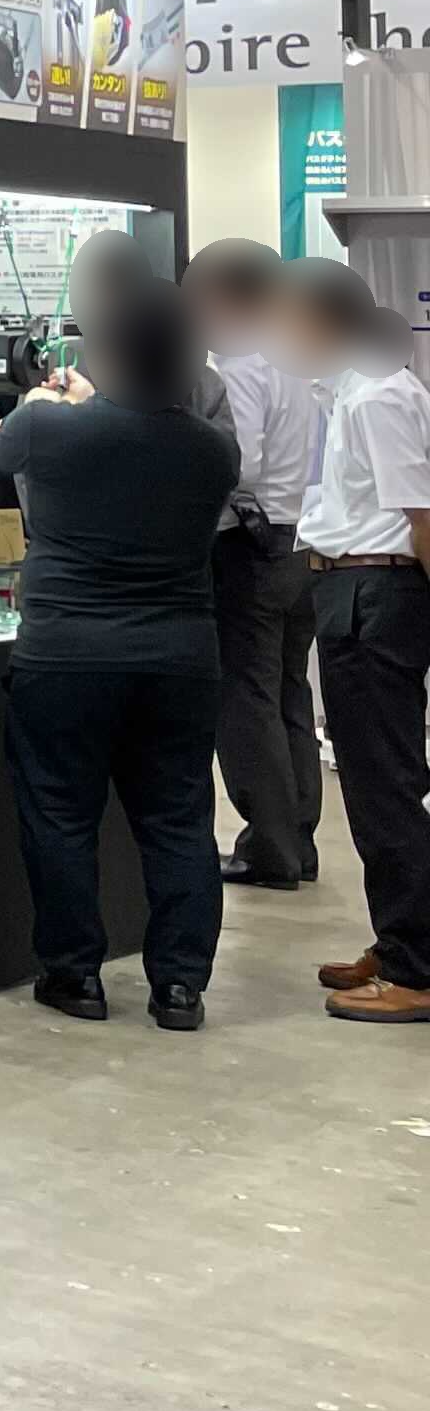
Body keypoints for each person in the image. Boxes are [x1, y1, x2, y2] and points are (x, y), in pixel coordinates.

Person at [0, 284, 239, 1029]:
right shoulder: (213, 451)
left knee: (60, 815)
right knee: (178, 819)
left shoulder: (47, 428)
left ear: (107, 350)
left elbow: (4, 444)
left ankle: (75, 975)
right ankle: (180, 986)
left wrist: (59, 399)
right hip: (180, 657)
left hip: (65, 654)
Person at [295, 263, 430, 1026]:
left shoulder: (378, 396)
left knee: (386, 788)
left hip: (376, 593)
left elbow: (421, 514)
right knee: (375, 784)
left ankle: (416, 967)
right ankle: (402, 938)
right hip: (352, 590)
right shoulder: (350, 392)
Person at [190, 240, 327, 891]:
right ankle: (298, 839)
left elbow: (237, 463)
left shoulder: (240, 360)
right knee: (289, 691)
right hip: (299, 539)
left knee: (247, 699)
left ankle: (269, 847)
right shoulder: (294, 353)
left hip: (250, 545)